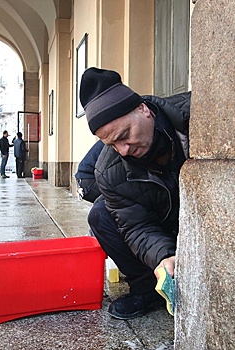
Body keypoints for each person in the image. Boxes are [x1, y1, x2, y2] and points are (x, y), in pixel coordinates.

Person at [79, 67, 191, 320]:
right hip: (162, 221)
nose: (124, 150)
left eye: (124, 136)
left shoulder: (193, 116)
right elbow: (136, 227)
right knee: (101, 214)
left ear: (144, 109)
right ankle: (145, 288)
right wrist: (163, 257)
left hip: (206, 217)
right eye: (112, 144)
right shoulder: (108, 170)